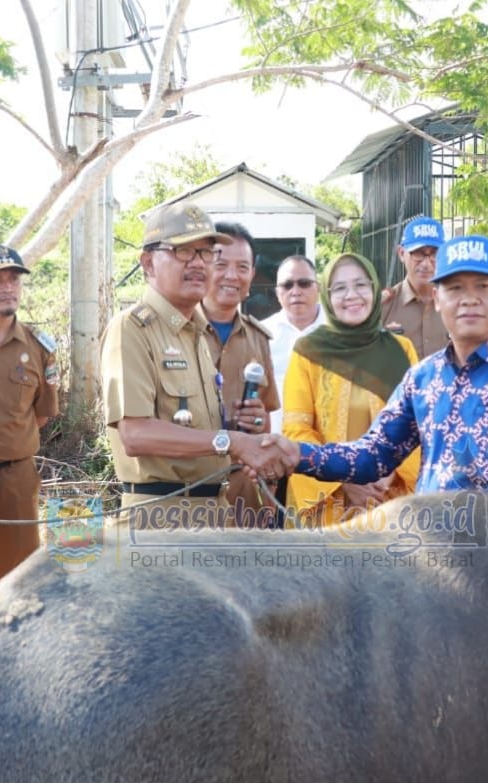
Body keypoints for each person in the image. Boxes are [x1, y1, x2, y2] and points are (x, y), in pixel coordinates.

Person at [295, 235, 488, 493]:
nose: (469, 299)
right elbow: (374, 455)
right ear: (437, 298)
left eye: (483, 286)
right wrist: (296, 454)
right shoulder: (423, 378)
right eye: (455, 288)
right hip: (427, 539)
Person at [101, 202, 296, 534]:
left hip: (214, 515)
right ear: (148, 262)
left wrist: (247, 436)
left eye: (206, 252)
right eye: (182, 252)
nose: (198, 263)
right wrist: (229, 441)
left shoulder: (194, 333)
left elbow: (202, 432)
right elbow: (134, 434)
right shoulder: (132, 328)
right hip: (159, 520)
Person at [282, 253, 420, 526]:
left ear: (374, 289)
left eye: (360, 285)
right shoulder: (308, 352)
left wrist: (386, 472)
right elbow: (296, 429)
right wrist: (345, 479)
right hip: (329, 504)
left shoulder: (400, 350)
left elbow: (418, 425)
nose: (351, 295)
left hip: (391, 501)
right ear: (328, 297)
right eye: (340, 288)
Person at [0, 243, 60, 602]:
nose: (7, 287)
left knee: (21, 588)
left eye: (14, 279)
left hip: (15, 478)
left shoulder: (40, 347)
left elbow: (42, 413)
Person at [202, 222, 280, 528]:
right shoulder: (177, 331)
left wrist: (257, 421)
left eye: (243, 267)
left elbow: (266, 419)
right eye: (221, 264)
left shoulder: (258, 338)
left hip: (244, 491)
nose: (232, 276)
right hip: (190, 489)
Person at [265, 255, 325, 434]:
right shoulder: (262, 334)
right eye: (287, 285)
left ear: (318, 288)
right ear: (277, 293)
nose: (296, 291)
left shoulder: (341, 332)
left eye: (304, 283)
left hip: (330, 448)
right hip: (277, 446)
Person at [379, 215, 447, 358]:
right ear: (402, 253)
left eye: (434, 254)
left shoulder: (453, 303)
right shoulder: (383, 307)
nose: (426, 264)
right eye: (418, 253)